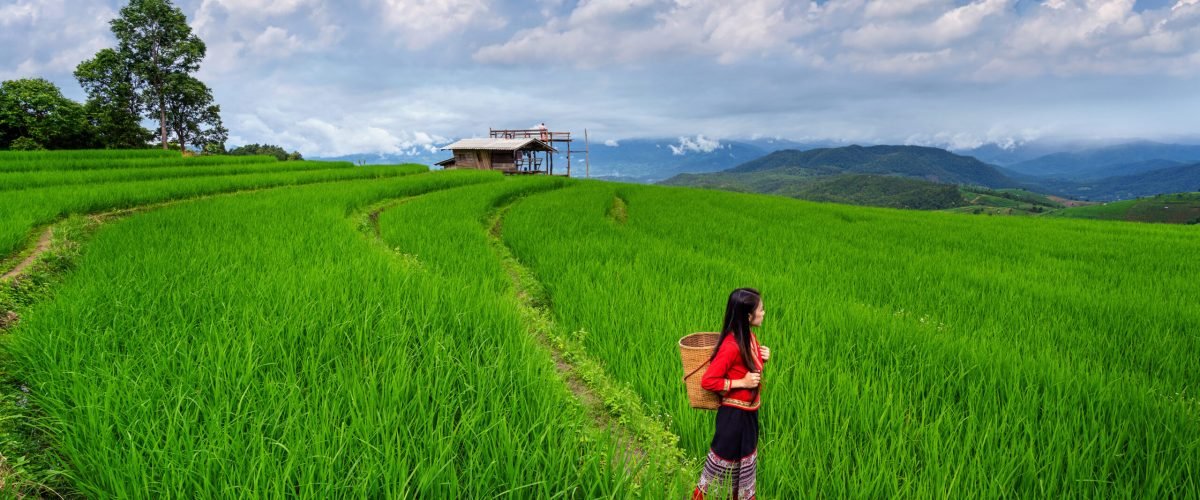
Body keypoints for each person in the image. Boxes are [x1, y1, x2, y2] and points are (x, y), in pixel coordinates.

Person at [693, 287, 770, 500]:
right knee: (718, 468)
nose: (763, 313)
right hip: (732, 419)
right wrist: (741, 382)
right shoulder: (731, 345)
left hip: (749, 415)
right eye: (761, 310)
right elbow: (709, 380)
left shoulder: (750, 338)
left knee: (743, 469)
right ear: (748, 316)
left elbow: (746, 364)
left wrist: (763, 357)